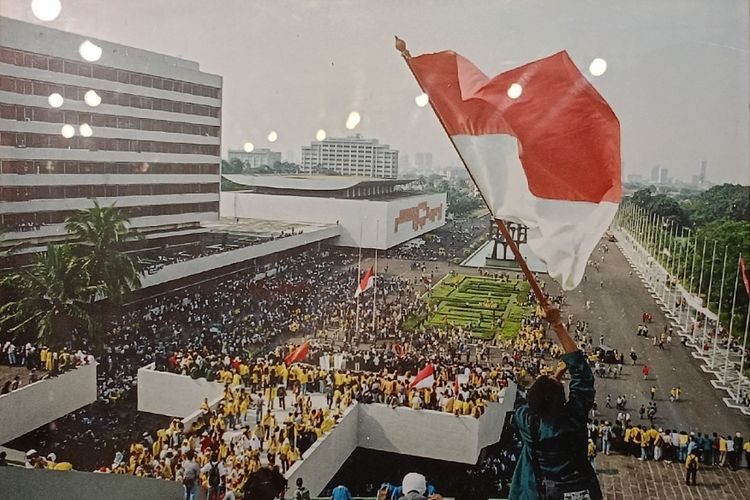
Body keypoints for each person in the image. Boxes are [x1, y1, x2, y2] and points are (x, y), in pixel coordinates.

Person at [510, 306, 602, 500]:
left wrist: (553, 381)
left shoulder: (527, 422)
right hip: (578, 488)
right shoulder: (574, 418)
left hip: (540, 491)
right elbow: (583, 376)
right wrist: (557, 326)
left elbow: (532, 402)